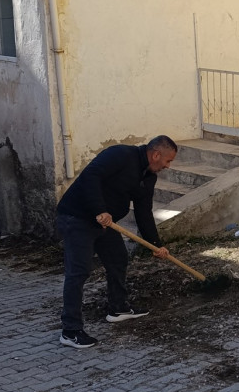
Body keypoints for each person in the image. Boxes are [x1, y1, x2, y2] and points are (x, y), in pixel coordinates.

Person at [55, 136, 177, 348]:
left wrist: (156, 244)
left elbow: (143, 212)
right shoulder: (120, 155)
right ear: (156, 155)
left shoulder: (148, 177)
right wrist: (99, 210)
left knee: (118, 258)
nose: (167, 166)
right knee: (79, 271)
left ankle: (118, 308)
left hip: (104, 222)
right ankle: (70, 330)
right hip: (77, 216)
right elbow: (90, 177)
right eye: (168, 161)